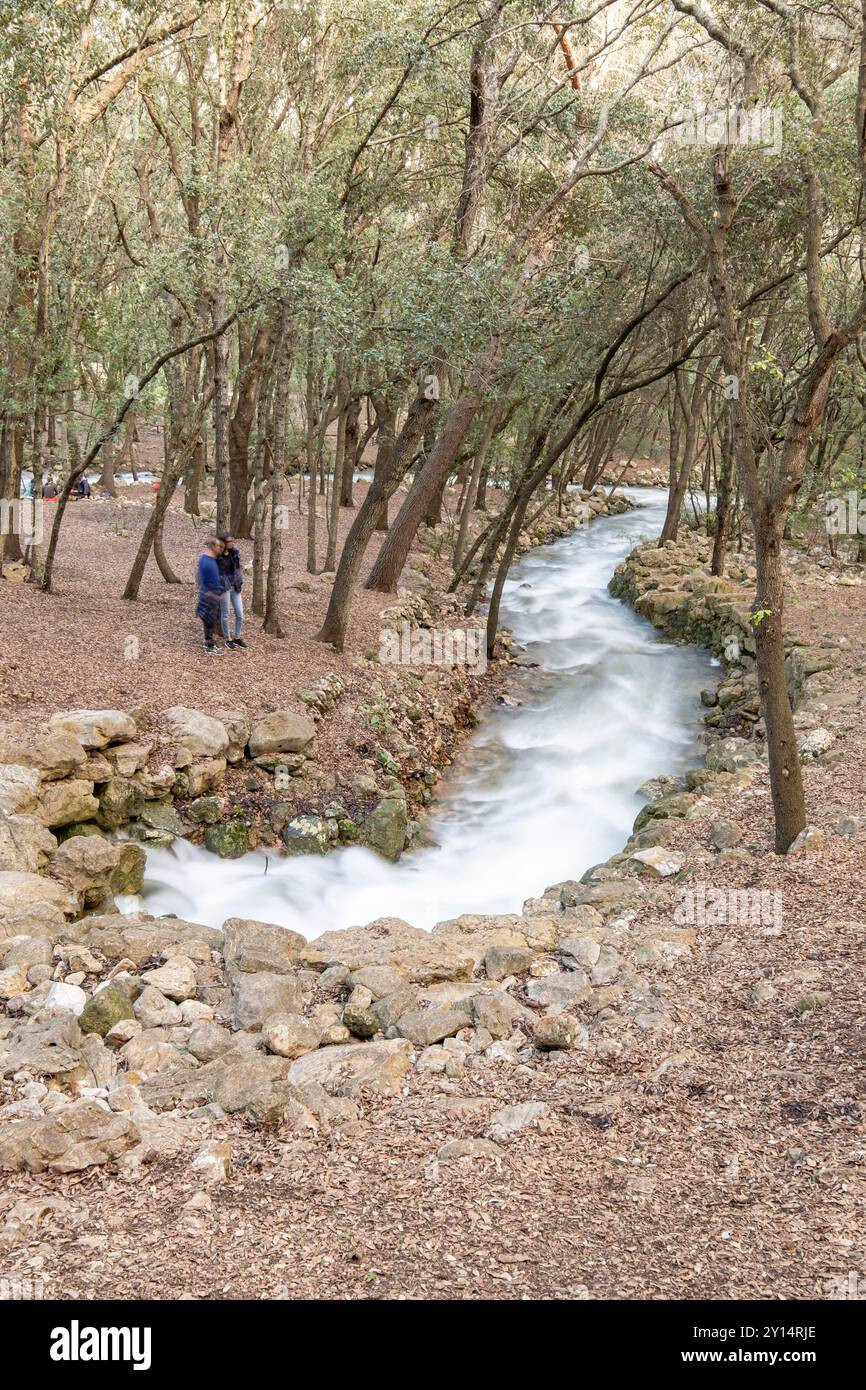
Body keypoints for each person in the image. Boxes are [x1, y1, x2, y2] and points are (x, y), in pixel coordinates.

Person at [216, 531, 246, 649]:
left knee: (240, 614)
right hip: (224, 587)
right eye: (230, 541)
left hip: (235, 586)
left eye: (233, 541)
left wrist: (239, 580)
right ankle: (228, 639)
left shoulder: (235, 553)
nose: (232, 543)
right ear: (223, 542)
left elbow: (237, 569)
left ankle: (237, 637)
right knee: (225, 614)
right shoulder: (217, 556)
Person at [196, 537, 225, 654]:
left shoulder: (210, 558)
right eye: (219, 546)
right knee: (209, 621)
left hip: (212, 595)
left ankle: (210, 643)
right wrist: (214, 595)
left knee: (211, 621)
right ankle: (209, 646)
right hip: (209, 596)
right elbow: (203, 580)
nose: (221, 549)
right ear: (213, 546)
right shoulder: (206, 561)